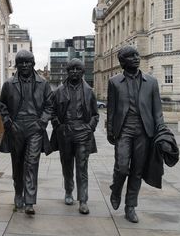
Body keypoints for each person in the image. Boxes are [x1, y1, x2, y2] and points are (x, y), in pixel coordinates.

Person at [106, 46, 164, 223]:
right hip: (123, 130)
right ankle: (116, 189)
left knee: (137, 170)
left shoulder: (151, 82)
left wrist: (161, 131)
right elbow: (111, 110)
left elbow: (157, 111)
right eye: (131, 56)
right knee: (122, 167)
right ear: (123, 62)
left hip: (144, 131)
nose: (136, 58)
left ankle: (130, 206)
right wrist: (110, 130)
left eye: (137, 55)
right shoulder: (114, 82)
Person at [0, 50, 53, 215]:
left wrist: (42, 122)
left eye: (27, 62)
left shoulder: (43, 84)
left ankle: (29, 201)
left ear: (33, 63)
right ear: (17, 64)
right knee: (17, 163)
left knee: (31, 163)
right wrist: (9, 123)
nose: (24, 65)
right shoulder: (9, 84)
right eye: (20, 62)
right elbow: (2, 106)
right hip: (16, 128)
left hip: (34, 128)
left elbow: (50, 105)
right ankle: (18, 193)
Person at [50, 58, 99, 215]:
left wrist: (89, 128)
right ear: (67, 71)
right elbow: (52, 111)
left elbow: (95, 115)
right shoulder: (58, 91)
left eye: (78, 69)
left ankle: (83, 200)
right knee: (67, 165)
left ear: (83, 72)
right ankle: (68, 191)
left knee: (82, 167)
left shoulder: (89, 91)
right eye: (71, 69)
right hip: (65, 132)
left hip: (83, 133)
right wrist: (59, 126)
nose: (74, 72)